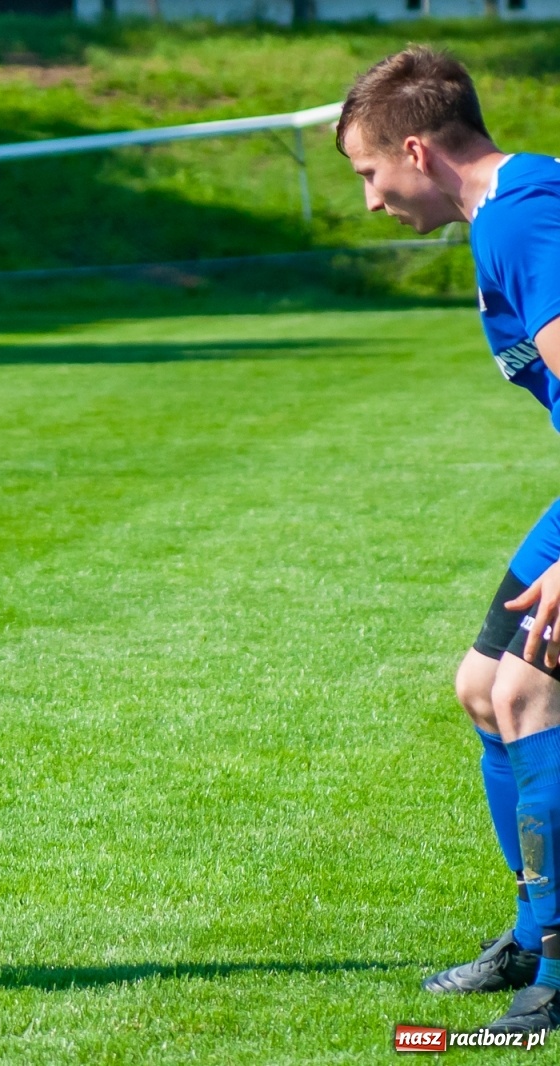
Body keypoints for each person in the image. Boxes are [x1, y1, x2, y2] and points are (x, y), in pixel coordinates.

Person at [339, 46, 560, 1035]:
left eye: (369, 175)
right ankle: (531, 926)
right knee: (481, 686)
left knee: (526, 689)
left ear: (417, 150)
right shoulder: (511, 211)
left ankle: (555, 970)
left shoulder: (521, 221)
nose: (371, 202)